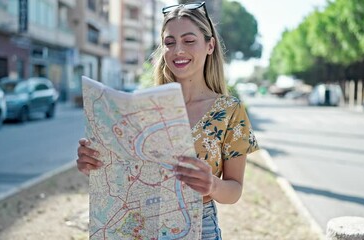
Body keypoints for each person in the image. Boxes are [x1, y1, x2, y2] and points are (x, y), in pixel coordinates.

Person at [76, 2, 259, 239]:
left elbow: (235, 190)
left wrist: (212, 185)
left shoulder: (230, 111)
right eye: (169, 42)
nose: (178, 50)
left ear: (210, 45)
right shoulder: (140, 108)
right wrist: (94, 165)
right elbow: (123, 178)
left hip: (199, 226)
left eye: (189, 40)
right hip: (138, 222)